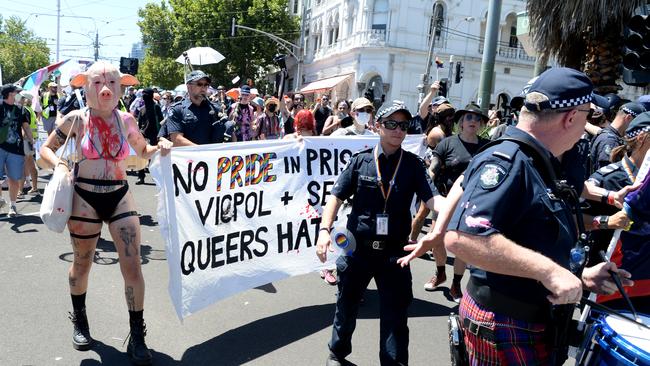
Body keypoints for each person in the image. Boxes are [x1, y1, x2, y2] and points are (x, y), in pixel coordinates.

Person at [442, 67, 632, 365]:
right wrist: (551, 273)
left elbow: (530, 239)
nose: (587, 127)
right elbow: (464, 238)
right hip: (508, 322)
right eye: (587, 116)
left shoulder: (540, 162)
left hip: (527, 320)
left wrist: (578, 276)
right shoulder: (508, 161)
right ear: (570, 118)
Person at [39, 61, 172, 365]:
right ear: (86, 86)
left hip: (119, 195)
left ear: (120, 87)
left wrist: (158, 147)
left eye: (112, 83)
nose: (106, 89)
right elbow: (46, 149)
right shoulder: (77, 119)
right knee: (83, 263)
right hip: (84, 196)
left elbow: (142, 150)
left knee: (133, 266)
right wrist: (58, 164)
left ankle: (137, 335)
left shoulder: (126, 119)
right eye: (99, 82)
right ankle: (80, 321)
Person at [316, 101, 441, 366]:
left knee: (396, 316)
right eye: (391, 124)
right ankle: (337, 354)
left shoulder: (413, 166)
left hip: (395, 253)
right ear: (378, 126)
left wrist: (458, 209)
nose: (398, 130)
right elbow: (335, 198)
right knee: (346, 307)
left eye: (404, 125)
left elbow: (433, 200)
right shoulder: (360, 161)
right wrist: (324, 231)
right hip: (357, 250)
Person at [424, 103, 489, 299]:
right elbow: (433, 169)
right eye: (469, 117)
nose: (473, 121)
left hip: (471, 202)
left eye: (478, 119)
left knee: (460, 244)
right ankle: (440, 272)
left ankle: (455, 284)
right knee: (437, 239)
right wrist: (428, 188)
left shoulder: (486, 146)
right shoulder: (447, 143)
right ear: (461, 122)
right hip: (444, 199)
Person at [586, 112, 650, 312]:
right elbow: (573, 219)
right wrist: (607, 221)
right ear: (642, 138)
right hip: (611, 286)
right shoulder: (608, 179)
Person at [166, 70, 232, 146]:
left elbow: (227, 136)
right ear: (188, 86)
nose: (203, 88)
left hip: (213, 156)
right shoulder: (177, 109)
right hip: (190, 157)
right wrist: (201, 152)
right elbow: (176, 139)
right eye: (199, 84)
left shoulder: (215, 108)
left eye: (206, 85)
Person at [0, 84, 34, 217]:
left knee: (14, 179)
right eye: (16, 93)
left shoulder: (21, 109)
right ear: (10, 94)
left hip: (16, 149)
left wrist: (31, 139)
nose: (19, 95)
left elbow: (25, 126)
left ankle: (12, 206)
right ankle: (1, 200)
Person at [590, 102, 645, 172]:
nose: (637, 128)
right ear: (628, 118)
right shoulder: (609, 141)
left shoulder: (613, 136)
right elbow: (606, 175)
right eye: (637, 123)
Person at [135, 88, 163, 185]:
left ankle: (157, 176)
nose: (144, 97)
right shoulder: (142, 109)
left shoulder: (156, 108)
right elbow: (139, 124)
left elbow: (161, 121)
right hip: (144, 135)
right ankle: (141, 176)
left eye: (146, 95)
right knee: (141, 156)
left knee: (155, 157)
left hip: (155, 135)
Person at [18, 92, 39, 195]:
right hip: (31, 139)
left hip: (26, 140)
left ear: (25, 99)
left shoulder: (24, 110)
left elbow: (24, 127)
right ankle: (34, 188)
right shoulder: (31, 110)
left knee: (24, 166)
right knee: (30, 165)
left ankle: (20, 191)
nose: (19, 99)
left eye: (21, 97)